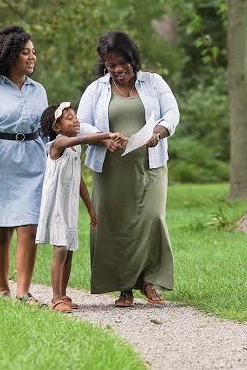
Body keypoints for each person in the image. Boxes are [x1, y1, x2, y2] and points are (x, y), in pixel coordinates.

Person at [77, 30, 180, 307]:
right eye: (110, 65)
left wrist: (158, 132)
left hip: (150, 165)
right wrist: (103, 138)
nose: (117, 69)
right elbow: (80, 124)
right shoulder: (96, 89)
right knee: (114, 224)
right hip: (111, 168)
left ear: (132, 59)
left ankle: (150, 281)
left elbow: (172, 113)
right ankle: (124, 288)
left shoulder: (154, 83)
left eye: (122, 63)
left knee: (152, 218)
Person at [0, 26, 48, 306]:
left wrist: (56, 156)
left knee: (29, 225)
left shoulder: (38, 91)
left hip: (32, 162)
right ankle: (3, 289)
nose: (32, 57)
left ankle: (23, 292)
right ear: (10, 55)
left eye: (33, 52)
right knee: (0, 228)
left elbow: (46, 130)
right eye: (25, 52)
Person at [35, 101, 126, 312]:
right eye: (69, 118)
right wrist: (107, 135)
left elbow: (78, 180)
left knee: (69, 250)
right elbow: (84, 138)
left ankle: (63, 293)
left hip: (69, 205)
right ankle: (56, 298)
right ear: (57, 127)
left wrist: (91, 209)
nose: (76, 120)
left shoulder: (74, 149)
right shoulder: (58, 144)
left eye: (75, 116)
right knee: (60, 250)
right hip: (56, 203)